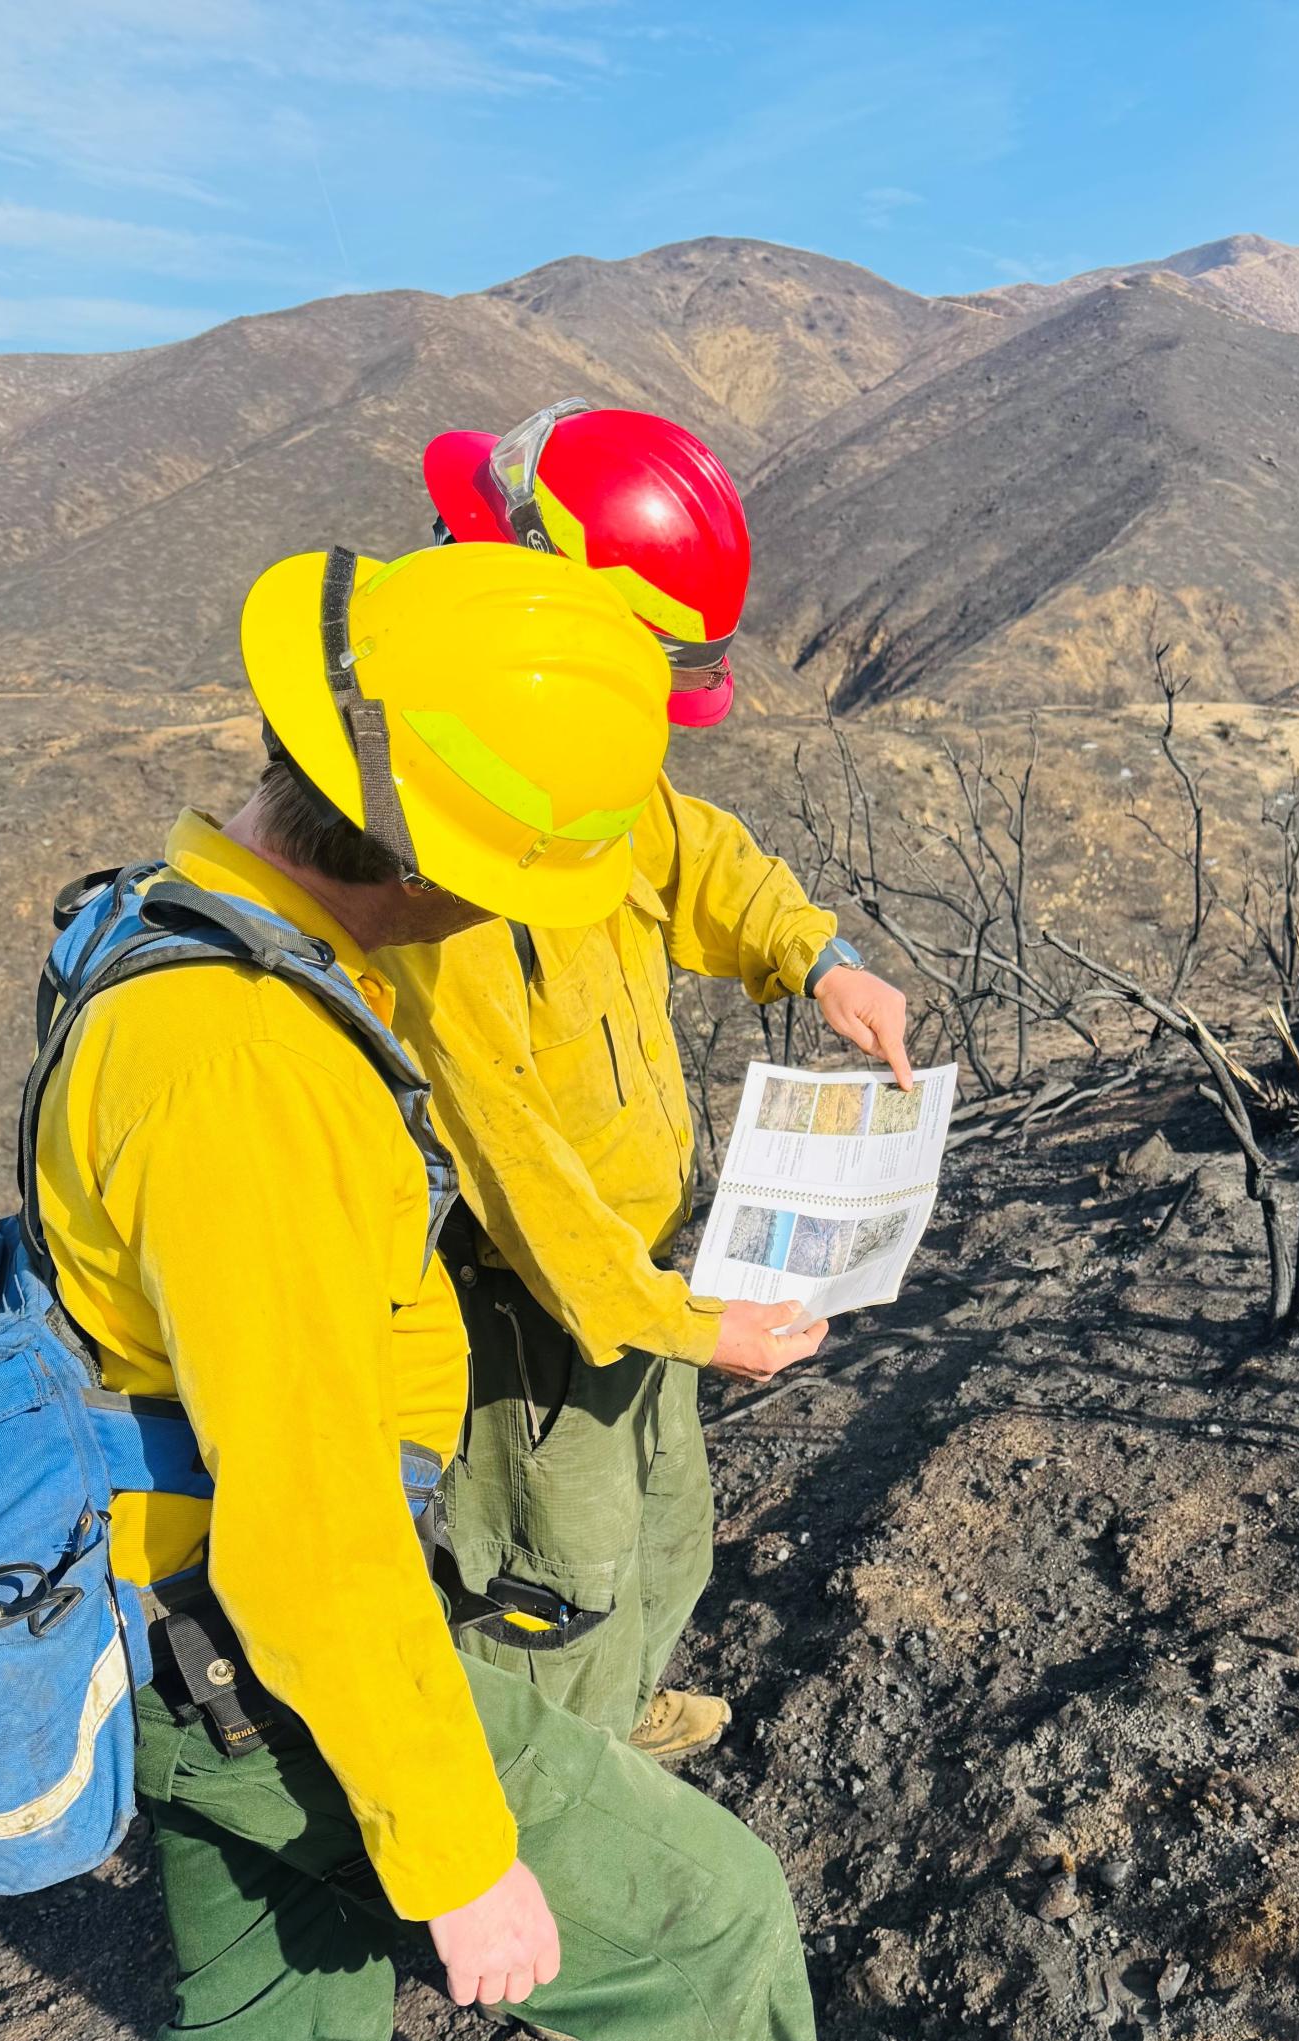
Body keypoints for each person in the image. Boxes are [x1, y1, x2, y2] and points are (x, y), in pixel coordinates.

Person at [30, 539, 959, 2041]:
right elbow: (309, 1532)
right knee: (709, 1926)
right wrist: (460, 1857)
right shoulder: (251, 1074)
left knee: (264, 2008)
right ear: (432, 849)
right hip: (274, 1655)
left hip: (156, 1621)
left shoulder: (190, 926)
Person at [381, 407, 915, 1760]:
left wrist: (820, 961)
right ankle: (535, 1804)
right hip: (529, 1297)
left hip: (642, 1276)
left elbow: (697, 856)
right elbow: (508, 1165)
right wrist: (682, 1322)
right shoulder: (432, 836)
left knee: (664, 1522)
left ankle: (612, 1716)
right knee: (551, 1566)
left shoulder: (568, 748)